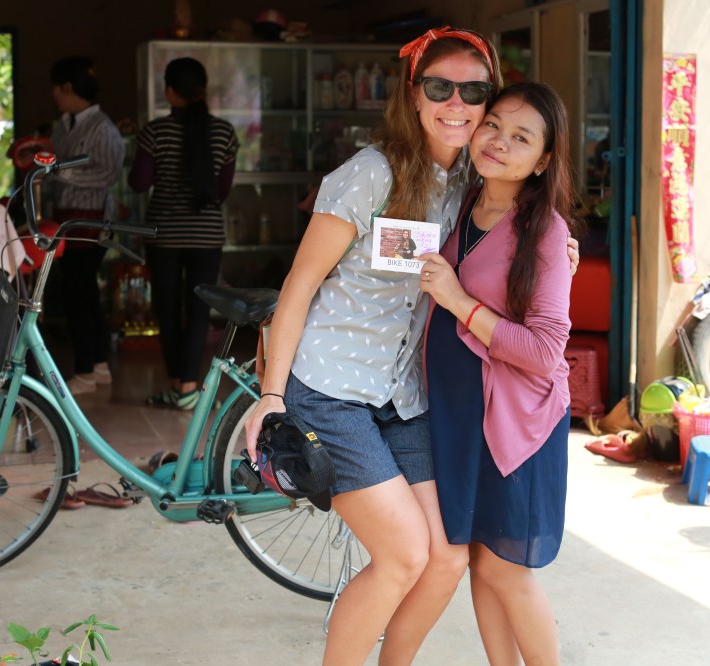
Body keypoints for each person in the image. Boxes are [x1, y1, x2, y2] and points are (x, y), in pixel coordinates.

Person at [244, 27, 505, 665]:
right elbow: (299, 287)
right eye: (440, 87)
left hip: (402, 394)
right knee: (403, 555)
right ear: (414, 95)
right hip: (330, 390)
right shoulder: (370, 174)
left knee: (447, 556)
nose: (456, 104)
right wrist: (271, 396)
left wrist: (561, 251)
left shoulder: (474, 183)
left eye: (474, 91)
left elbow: (521, 234)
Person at [417, 82, 577, 666]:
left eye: (521, 137)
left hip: (516, 423)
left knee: (506, 570)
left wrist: (459, 302)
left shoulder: (546, 232)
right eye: (494, 125)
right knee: (483, 563)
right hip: (462, 418)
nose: (499, 142)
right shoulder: (463, 203)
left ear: (544, 160)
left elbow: (544, 352)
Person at [128, 57, 238, 410]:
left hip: (164, 235)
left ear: (170, 92)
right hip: (207, 236)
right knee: (199, 312)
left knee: (168, 310)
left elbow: (139, 182)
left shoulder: (155, 132)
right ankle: (188, 388)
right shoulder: (224, 133)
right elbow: (221, 192)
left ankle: (179, 386)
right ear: (202, 90)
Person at [49, 56, 124, 395]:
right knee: (82, 293)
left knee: (79, 293)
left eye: (56, 87)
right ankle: (98, 364)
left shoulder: (102, 127)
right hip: (66, 219)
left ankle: (85, 370)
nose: (53, 94)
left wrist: (60, 171)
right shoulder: (62, 125)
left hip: (92, 220)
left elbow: (107, 174)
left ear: (67, 87)